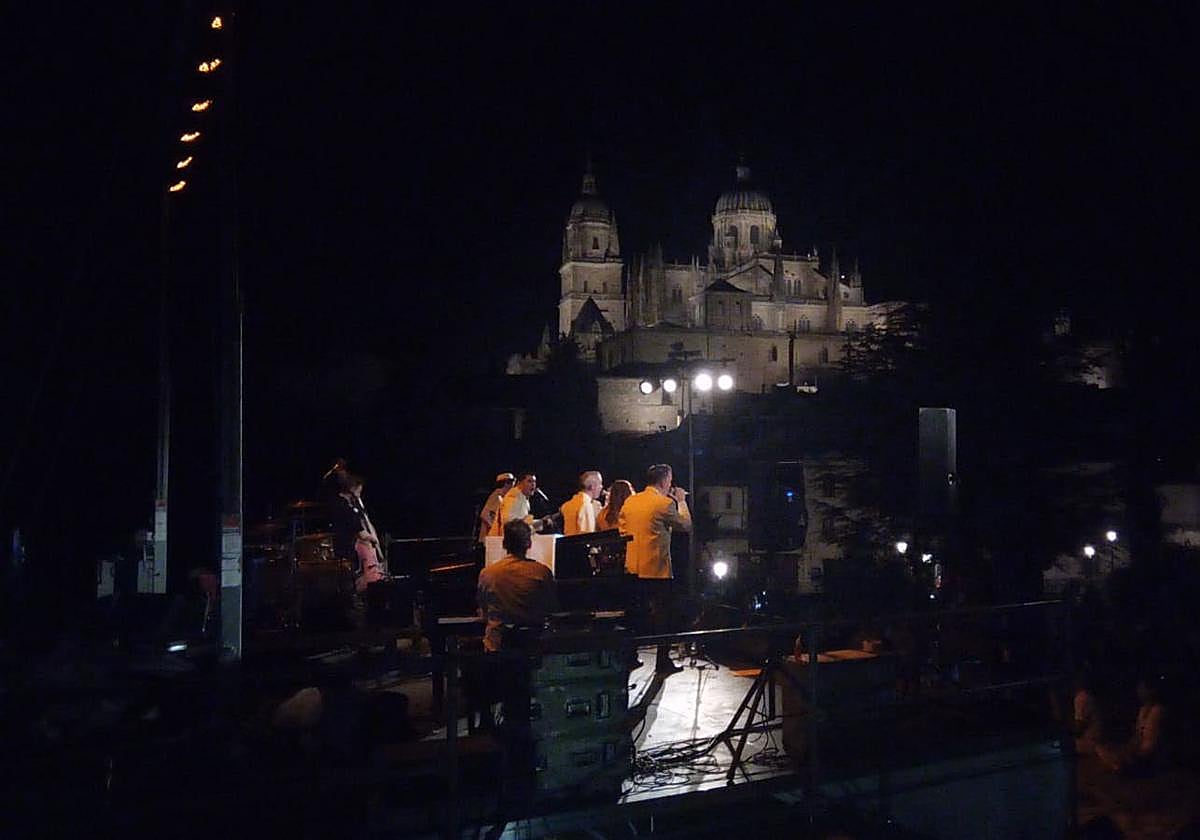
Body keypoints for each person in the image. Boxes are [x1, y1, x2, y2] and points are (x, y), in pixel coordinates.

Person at [619, 464, 692, 674]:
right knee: (664, 617)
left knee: (634, 615)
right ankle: (662, 662)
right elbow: (686, 526)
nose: (671, 484)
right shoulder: (664, 503)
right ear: (663, 481)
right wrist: (681, 501)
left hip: (632, 566)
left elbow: (623, 529)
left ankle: (630, 657)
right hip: (657, 568)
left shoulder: (631, 501)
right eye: (670, 480)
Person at [476, 519, 559, 652]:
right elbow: (551, 607)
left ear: (504, 544)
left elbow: (483, 611)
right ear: (529, 544)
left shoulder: (487, 573)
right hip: (533, 644)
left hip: (498, 647)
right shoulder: (542, 572)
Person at [1097, 675, 1167, 774]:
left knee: (1126, 761)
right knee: (1102, 748)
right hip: (1138, 752)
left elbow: (1153, 745)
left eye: (1141, 688)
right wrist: (1125, 749)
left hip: (1150, 757)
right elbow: (1137, 736)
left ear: (1151, 690)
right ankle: (1121, 765)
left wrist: (1133, 753)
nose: (1138, 691)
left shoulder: (1158, 711)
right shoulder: (1143, 710)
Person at [331, 472, 385, 594]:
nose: (360, 495)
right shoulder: (344, 507)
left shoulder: (347, 505)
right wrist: (375, 540)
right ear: (352, 490)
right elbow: (361, 533)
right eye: (359, 492)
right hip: (347, 550)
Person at [559, 470, 604, 536]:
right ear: (592, 486)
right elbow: (587, 534)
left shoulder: (568, 504)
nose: (601, 487)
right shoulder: (586, 505)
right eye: (600, 483)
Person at [479, 472, 515, 542]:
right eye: (510, 482)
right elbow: (484, 515)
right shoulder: (497, 495)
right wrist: (496, 529)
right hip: (491, 539)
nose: (513, 485)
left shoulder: (506, 498)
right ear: (504, 483)